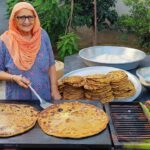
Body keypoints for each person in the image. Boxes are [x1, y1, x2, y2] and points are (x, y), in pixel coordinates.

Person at [0, 2, 61, 101]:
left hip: (44, 97)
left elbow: (51, 64)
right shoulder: (5, 41)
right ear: (14, 19)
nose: (27, 21)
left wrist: (55, 91)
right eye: (21, 17)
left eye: (30, 17)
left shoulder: (42, 35)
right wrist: (13, 77)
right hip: (18, 101)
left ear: (35, 17)